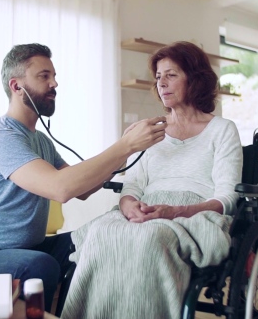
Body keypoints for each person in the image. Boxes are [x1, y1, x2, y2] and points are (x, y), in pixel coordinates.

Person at [0, 43, 167, 312]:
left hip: (32, 248)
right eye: (44, 76)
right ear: (16, 86)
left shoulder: (40, 140)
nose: (54, 83)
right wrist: (125, 146)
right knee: (40, 265)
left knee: (98, 236)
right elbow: (60, 189)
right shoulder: (2, 138)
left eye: (53, 76)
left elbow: (83, 189)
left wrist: (126, 149)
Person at [61, 41, 243, 319]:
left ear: (194, 78)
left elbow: (227, 198)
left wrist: (176, 211)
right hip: (145, 209)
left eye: (171, 75)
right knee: (101, 233)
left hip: (194, 212)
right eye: (158, 77)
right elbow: (131, 186)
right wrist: (128, 205)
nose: (162, 83)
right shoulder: (149, 131)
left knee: (152, 237)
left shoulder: (222, 130)